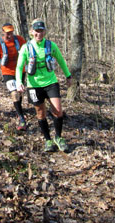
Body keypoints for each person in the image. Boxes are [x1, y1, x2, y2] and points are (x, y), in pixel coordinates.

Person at [16, 18, 72, 152]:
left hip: (51, 82)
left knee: (58, 111)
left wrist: (68, 75)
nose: (39, 34)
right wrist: (19, 82)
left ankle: (58, 137)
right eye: (36, 31)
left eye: (41, 31)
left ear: (44, 31)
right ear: (31, 32)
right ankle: (48, 140)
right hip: (34, 85)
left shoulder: (51, 45)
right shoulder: (26, 47)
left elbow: (61, 60)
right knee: (40, 113)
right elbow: (19, 67)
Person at [0, 23, 28, 131]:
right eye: (7, 32)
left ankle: (18, 110)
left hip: (20, 71)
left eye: (11, 32)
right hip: (7, 72)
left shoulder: (19, 40)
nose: (9, 34)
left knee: (20, 93)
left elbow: (27, 50)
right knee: (14, 93)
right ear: (3, 32)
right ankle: (21, 118)